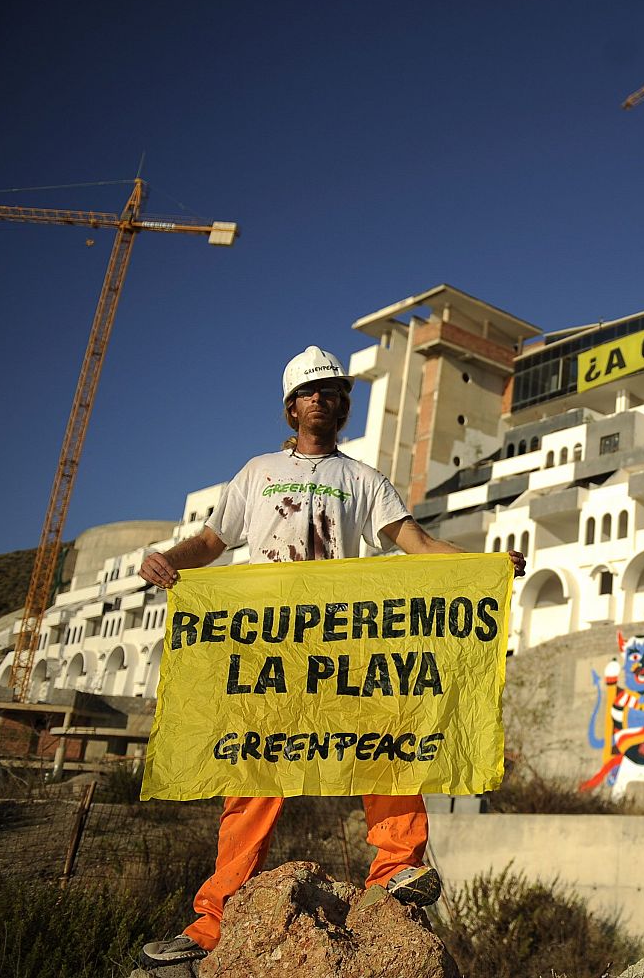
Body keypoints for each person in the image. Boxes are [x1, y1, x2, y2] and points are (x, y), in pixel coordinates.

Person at [137, 346, 525, 971]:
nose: (322, 398)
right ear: (291, 407)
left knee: (386, 747)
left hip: (342, 647)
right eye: (310, 391)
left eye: (333, 390)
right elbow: (212, 542)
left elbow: (415, 543)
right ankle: (213, 922)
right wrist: (168, 560)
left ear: (344, 406)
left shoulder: (364, 481)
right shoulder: (257, 472)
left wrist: (482, 567)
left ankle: (399, 872)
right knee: (252, 780)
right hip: (266, 645)